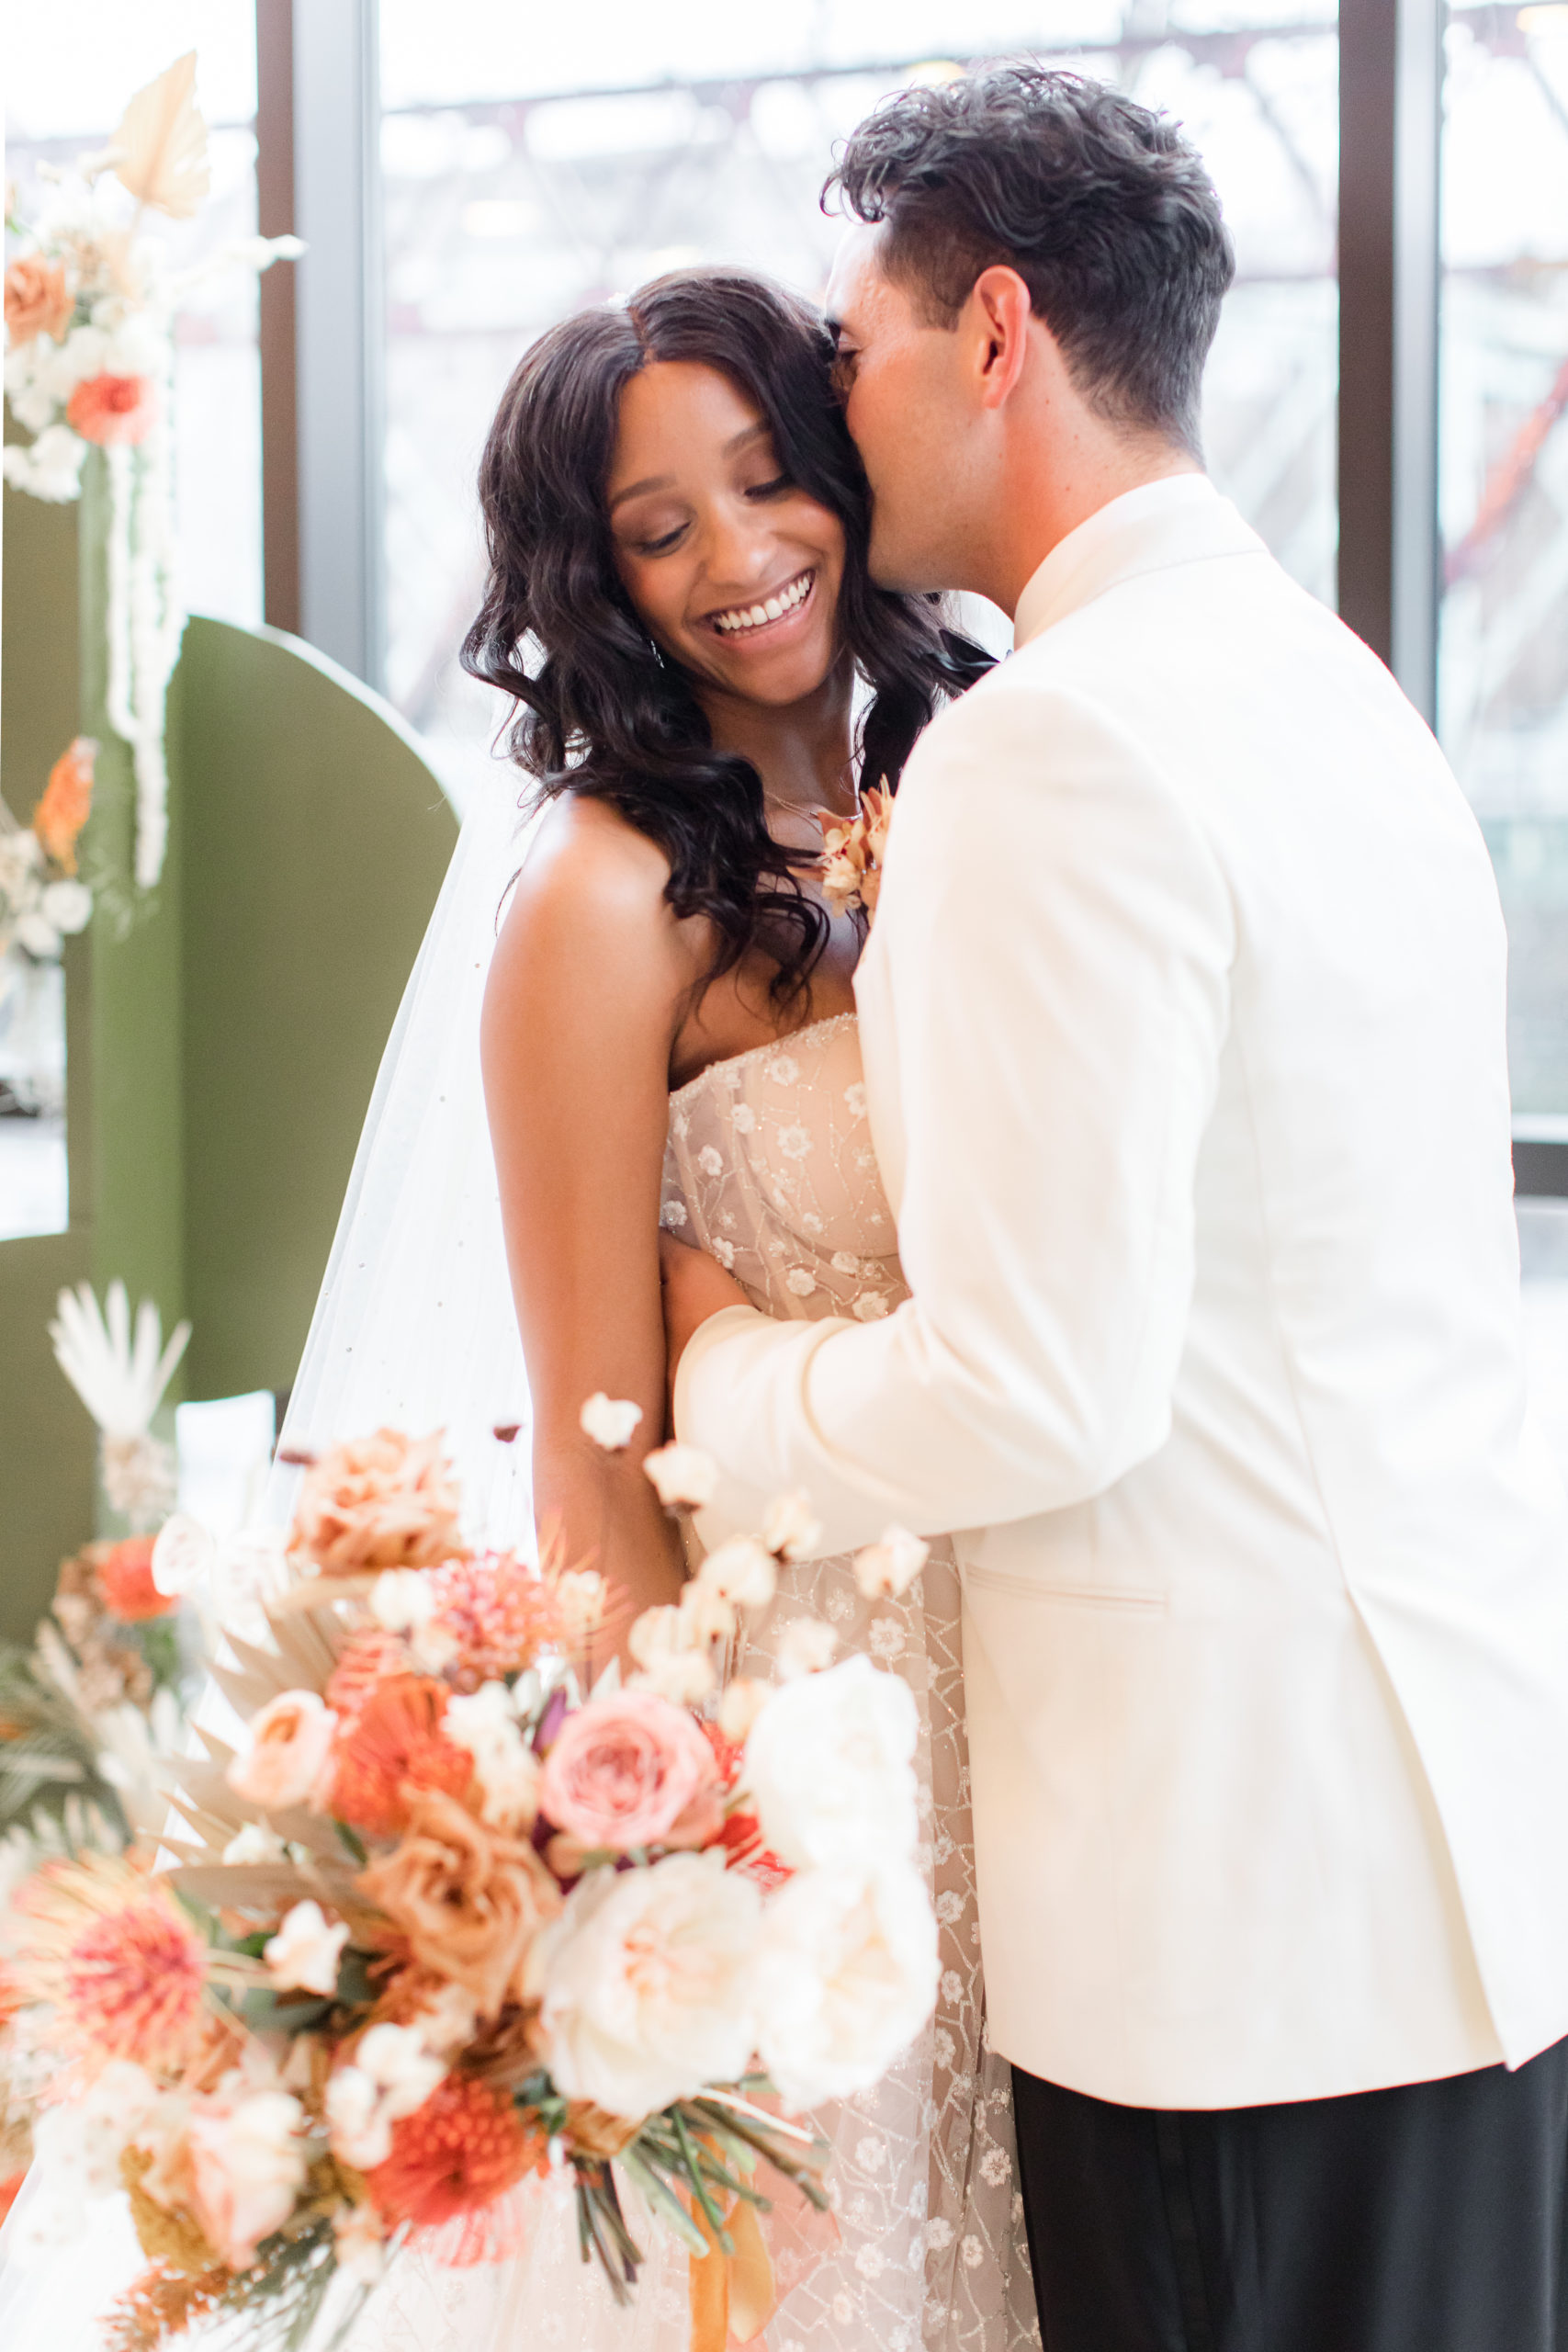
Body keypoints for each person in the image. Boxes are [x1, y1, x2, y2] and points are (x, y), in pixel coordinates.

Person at [660, 64, 1568, 2352]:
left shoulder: (1052, 738)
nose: (833, 422)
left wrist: (717, 1369)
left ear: (990, 332)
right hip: (1453, 1870)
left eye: (852, 356)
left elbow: (1033, 1385)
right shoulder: (1333, 682)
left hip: (1225, 1943)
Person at [468, 269, 1039, 2351]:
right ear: (596, 583)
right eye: (654, 526)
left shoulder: (982, 790)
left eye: (762, 477)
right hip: (788, 1744)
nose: (737, 553)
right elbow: (586, 1459)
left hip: (1041, 1674)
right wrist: (650, 1856)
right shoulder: (599, 904)